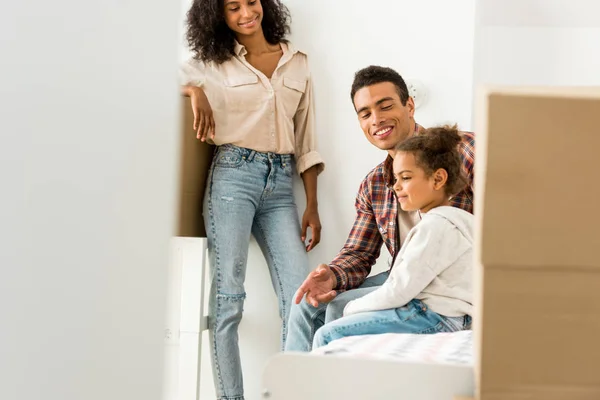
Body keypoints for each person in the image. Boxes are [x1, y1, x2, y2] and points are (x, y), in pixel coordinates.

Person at [181, 1, 324, 399]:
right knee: (229, 299)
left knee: (301, 296)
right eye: (233, 7)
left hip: (281, 185)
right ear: (218, 15)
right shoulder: (211, 62)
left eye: (251, 2)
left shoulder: (297, 61)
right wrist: (194, 89)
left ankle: (286, 393)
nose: (246, 12)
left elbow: (307, 138)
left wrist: (311, 203)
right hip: (233, 178)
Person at [284, 65, 475, 352]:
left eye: (385, 106)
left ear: (409, 105)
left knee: (339, 311)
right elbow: (359, 253)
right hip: (407, 270)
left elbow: (512, 211)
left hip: (451, 280)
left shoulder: (462, 151)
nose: (377, 119)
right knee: (305, 307)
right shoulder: (374, 184)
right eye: (365, 113)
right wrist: (332, 276)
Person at [312, 125, 473, 348]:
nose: (396, 186)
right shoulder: (461, 221)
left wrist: (351, 309)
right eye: (396, 178)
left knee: (328, 335)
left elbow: (398, 290)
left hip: (435, 317)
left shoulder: (434, 227)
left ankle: (322, 383)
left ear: (438, 180)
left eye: (405, 177)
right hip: (456, 317)